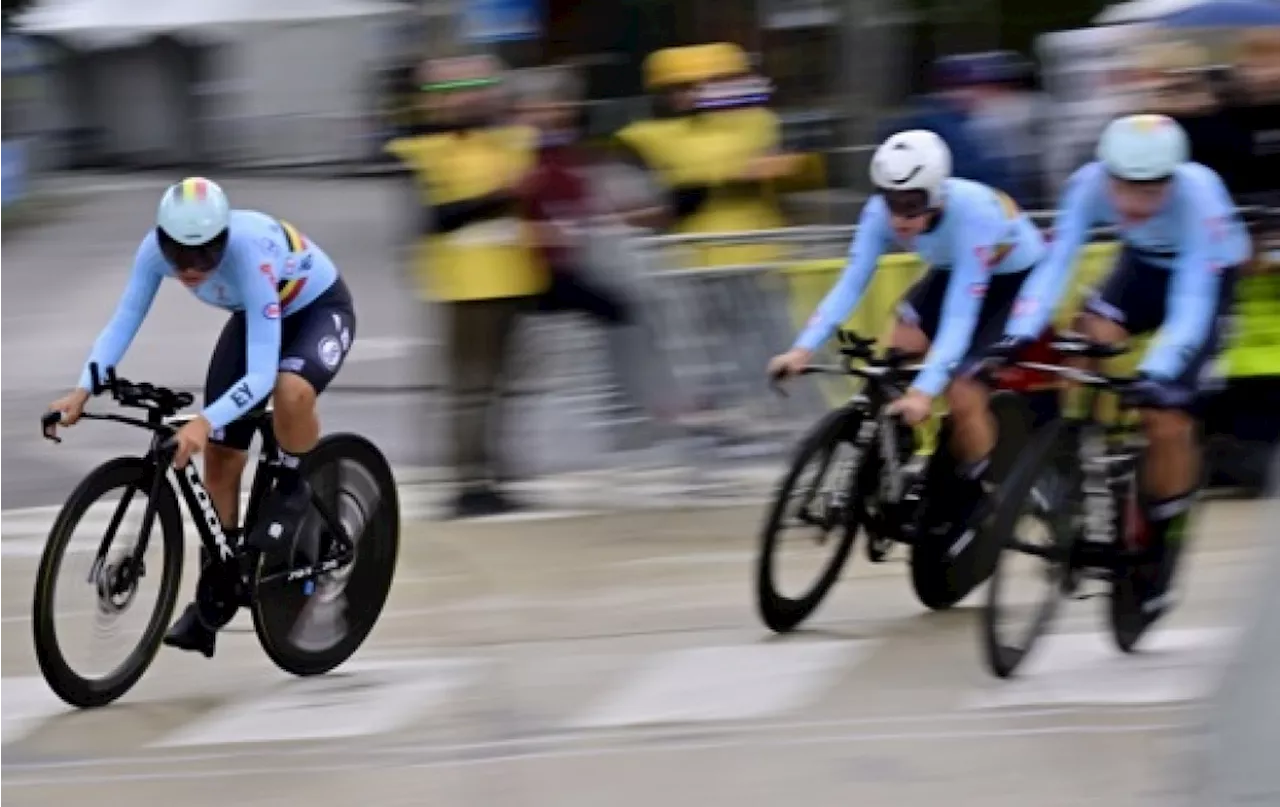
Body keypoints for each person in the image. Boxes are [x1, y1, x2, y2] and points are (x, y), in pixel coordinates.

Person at [46, 177, 357, 658]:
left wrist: (203, 420)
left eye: (205, 256)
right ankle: (219, 587)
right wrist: (84, 387)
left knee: (289, 390)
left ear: (225, 240)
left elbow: (257, 377)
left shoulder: (249, 254)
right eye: (179, 256)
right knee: (220, 457)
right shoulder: (153, 252)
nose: (190, 269)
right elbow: (125, 318)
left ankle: (296, 481)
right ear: (163, 241)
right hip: (256, 317)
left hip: (316, 308)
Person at [997, 113, 1250, 635]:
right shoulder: (1086, 184)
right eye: (1124, 188)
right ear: (1105, 174)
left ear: (1173, 178)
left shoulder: (1198, 196)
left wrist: (1158, 371)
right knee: (1081, 341)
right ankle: (1074, 457)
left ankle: (1161, 539)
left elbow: (1192, 304)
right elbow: (1056, 261)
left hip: (1205, 276)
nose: (1134, 203)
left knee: (1166, 416)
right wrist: (1021, 329)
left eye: (1151, 189)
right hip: (1140, 268)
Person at [768, 129, 1047, 542]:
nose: (899, 217)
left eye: (912, 204)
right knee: (893, 354)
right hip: (954, 271)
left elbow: (959, 317)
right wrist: (803, 347)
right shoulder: (881, 212)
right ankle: (894, 464)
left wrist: (923, 391)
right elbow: (852, 282)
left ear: (936, 194)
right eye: (890, 201)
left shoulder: (974, 213)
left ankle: (986, 488)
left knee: (963, 393)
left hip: (1014, 284)